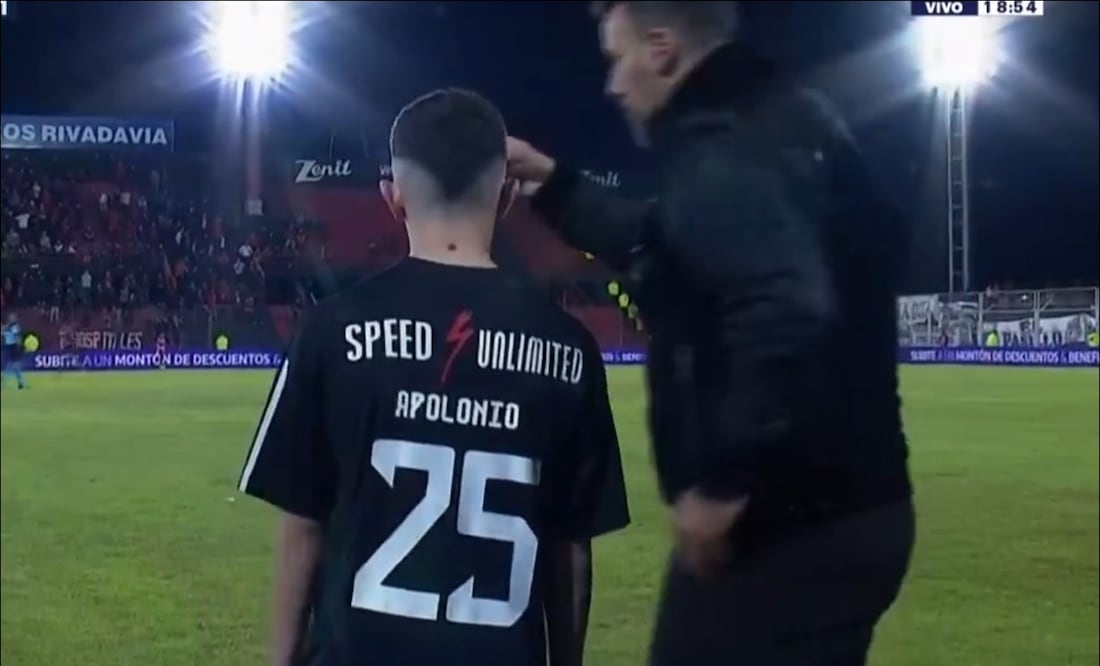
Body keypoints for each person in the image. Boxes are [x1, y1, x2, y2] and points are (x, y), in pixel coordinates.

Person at [506, 2, 914, 664]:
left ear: (662, 49)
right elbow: (683, 245)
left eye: (617, 58)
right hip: (863, 509)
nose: (612, 85)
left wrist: (722, 486)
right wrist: (556, 188)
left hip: (786, 530)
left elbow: (786, 308)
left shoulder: (721, 149)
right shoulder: (787, 117)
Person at [237, 88, 630, 666]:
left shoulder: (329, 330)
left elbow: (303, 531)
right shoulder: (569, 348)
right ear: (506, 196)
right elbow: (569, 550)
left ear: (392, 199)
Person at [2, 313, 27, 390]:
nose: (14, 319)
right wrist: (21, 347)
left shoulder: (6, 327)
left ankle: (20, 383)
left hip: (8, 347)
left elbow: (3, 335)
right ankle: (20, 383)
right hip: (13, 347)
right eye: (13, 317)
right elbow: (17, 338)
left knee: (13, 366)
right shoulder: (15, 327)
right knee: (14, 366)